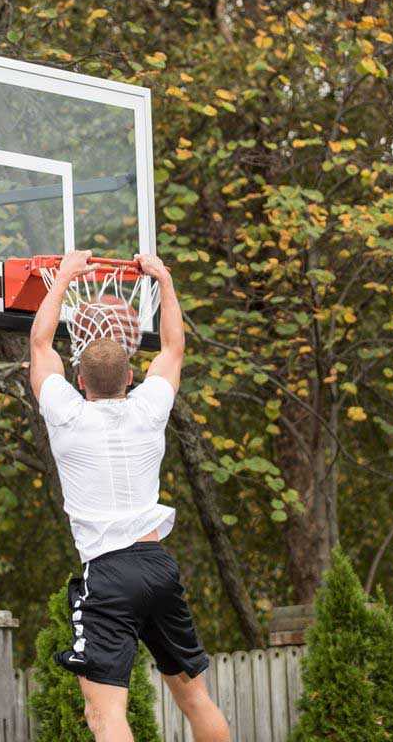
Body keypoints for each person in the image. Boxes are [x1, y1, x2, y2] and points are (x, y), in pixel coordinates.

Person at [29, 250, 230, 742]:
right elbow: (173, 348)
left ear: (79, 382)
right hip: (157, 565)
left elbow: (39, 344)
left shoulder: (66, 415)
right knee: (195, 698)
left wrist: (64, 279)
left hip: (110, 573)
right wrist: (164, 281)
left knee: (106, 716)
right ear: (131, 377)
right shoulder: (149, 408)